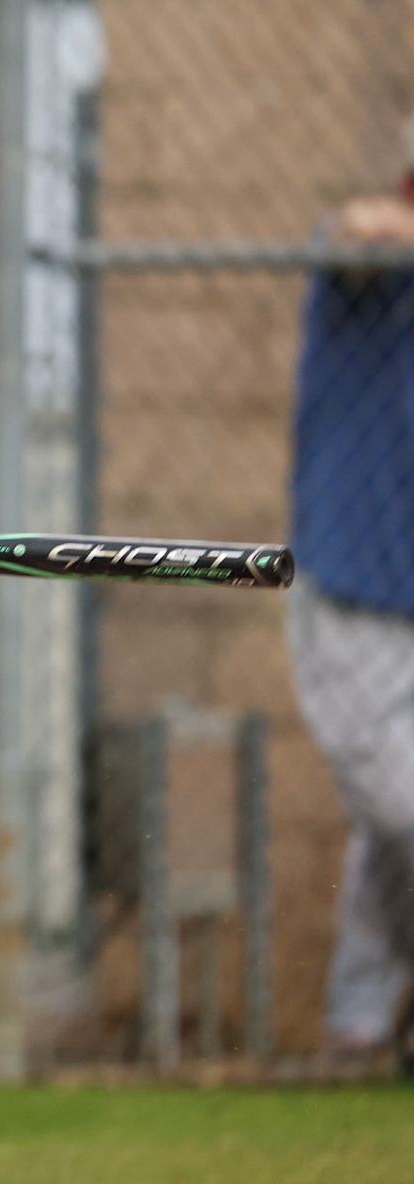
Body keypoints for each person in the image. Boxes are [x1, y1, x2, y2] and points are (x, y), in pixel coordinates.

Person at [287, 116, 414, 1076]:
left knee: (392, 826)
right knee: (406, 811)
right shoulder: (371, 265)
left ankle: (362, 1026)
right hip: (354, 596)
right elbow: (346, 234)